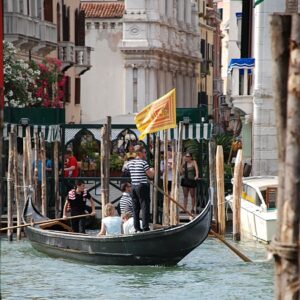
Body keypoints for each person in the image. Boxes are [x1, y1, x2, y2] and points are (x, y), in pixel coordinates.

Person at [126, 146, 155, 232]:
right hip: (142, 186)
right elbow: (150, 175)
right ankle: (145, 227)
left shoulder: (130, 163)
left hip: (133, 187)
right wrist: (153, 170)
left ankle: (137, 228)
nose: (146, 154)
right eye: (144, 152)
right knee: (145, 206)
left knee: (136, 208)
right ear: (140, 153)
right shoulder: (143, 163)